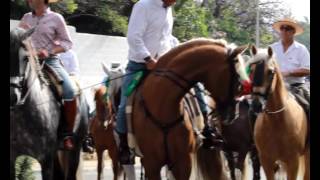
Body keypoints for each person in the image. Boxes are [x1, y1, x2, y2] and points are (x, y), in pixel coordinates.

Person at [115, 0, 219, 164]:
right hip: (140, 65)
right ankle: (124, 146)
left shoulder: (168, 9)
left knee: (195, 86)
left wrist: (180, 50)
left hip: (166, 64)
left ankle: (207, 129)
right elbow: (133, 37)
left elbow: (167, 37)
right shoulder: (143, 6)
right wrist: (148, 58)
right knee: (124, 102)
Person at [19, 0, 77, 150]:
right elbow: (17, 40)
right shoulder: (26, 18)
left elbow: (67, 43)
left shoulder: (56, 18)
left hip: (50, 61)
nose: (29, 1)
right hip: (27, 62)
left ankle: (66, 134)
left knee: (70, 91)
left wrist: (49, 51)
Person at [271, 17, 310, 117]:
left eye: (287, 28)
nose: (284, 31)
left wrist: (288, 73)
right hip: (274, 87)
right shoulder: (272, 48)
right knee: (253, 107)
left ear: (293, 32)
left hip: (296, 86)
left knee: (308, 105)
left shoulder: (301, 49)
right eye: (282, 28)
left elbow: (307, 70)